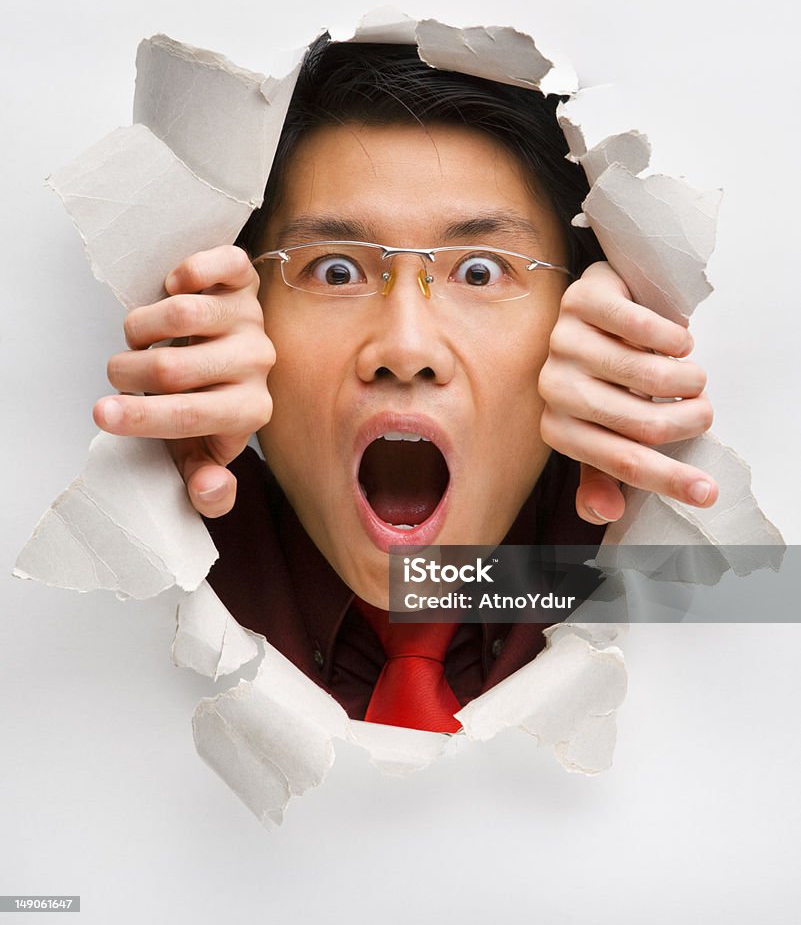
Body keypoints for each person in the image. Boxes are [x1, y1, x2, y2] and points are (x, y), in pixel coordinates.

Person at [93, 39, 715, 731]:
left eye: (480, 271)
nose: (405, 348)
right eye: (334, 270)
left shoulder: (632, 574)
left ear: (575, 318)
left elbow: (769, 585)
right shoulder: (169, 585)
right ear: (247, 310)